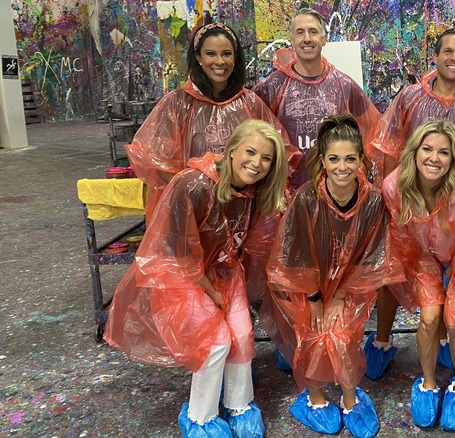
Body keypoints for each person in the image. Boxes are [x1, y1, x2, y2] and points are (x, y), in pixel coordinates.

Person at [103, 119, 289, 437]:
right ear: (231, 150)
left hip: (223, 273)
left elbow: (249, 241)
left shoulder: (254, 192)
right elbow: (175, 251)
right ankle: (199, 416)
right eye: (250, 152)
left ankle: (240, 405)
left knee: (243, 335)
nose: (256, 163)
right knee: (215, 342)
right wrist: (211, 292)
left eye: (266, 158)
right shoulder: (194, 184)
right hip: (179, 278)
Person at [364, 26, 455, 380]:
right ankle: (383, 340)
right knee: (394, 275)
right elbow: (390, 150)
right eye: (448, 51)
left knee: (452, 286)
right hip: (412, 206)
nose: (454, 58)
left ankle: (446, 339)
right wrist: (393, 202)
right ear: (435, 55)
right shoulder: (410, 97)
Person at [266, 115, 401, 438]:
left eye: (350, 159)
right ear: (323, 161)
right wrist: (315, 300)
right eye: (335, 159)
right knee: (313, 336)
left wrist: (340, 296)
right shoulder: (307, 199)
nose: (342, 167)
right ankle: (314, 398)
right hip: (306, 288)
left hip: (350, 289)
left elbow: (374, 255)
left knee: (342, 338)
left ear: (362, 161)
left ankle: (351, 398)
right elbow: (292, 255)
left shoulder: (372, 201)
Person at [382, 119, 455, 431]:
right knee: (429, 318)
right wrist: (433, 271)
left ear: (454, 158)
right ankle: (429, 383)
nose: (434, 158)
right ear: (415, 152)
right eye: (428, 149)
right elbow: (403, 240)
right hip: (423, 258)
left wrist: (451, 277)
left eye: (443, 152)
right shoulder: (395, 187)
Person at [127, 22, 299, 217]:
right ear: (198, 57)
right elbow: (153, 160)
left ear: (235, 58)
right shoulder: (178, 103)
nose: (219, 61)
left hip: (241, 213)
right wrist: (194, 191)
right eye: (211, 54)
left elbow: (280, 152)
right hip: (194, 211)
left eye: (226, 54)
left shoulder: (250, 103)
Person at [253, 8, 381, 191]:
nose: (307, 38)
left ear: (324, 39)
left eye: (313, 31)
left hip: (335, 190)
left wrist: (359, 165)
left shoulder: (343, 84)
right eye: (300, 32)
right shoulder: (273, 86)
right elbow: (251, 131)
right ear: (292, 41)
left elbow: (375, 128)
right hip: (287, 191)